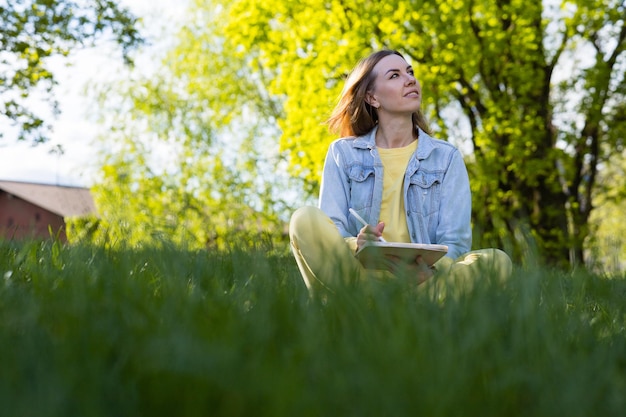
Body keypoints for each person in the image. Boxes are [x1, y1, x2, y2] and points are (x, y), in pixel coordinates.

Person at [289, 50, 512, 294]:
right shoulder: (343, 153)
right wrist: (357, 244)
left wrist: (429, 272)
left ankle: (396, 307)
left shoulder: (446, 157)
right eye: (395, 75)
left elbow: (455, 243)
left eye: (410, 72)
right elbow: (334, 229)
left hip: (421, 280)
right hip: (360, 275)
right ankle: (385, 305)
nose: (410, 80)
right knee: (304, 219)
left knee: (497, 261)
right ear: (372, 98)